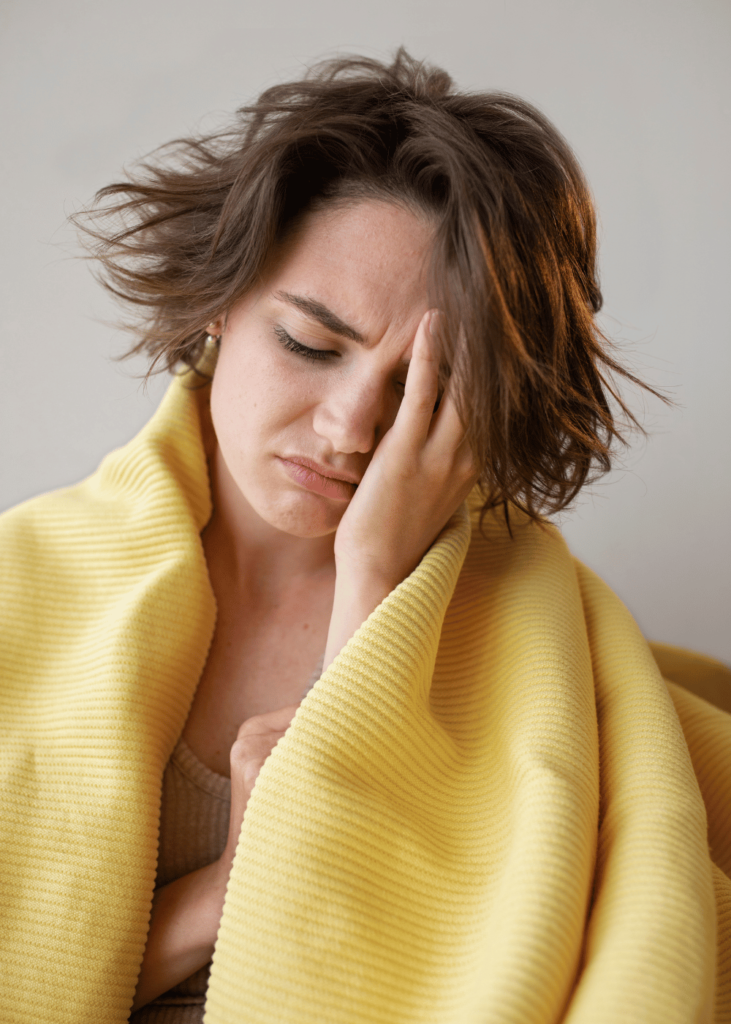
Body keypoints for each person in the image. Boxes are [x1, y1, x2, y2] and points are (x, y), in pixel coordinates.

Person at [1, 49, 730, 1024]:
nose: (350, 428)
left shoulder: (536, 634)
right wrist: (225, 890)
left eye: (420, 393)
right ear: (224, 296)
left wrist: (371, 578)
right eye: (310, 344)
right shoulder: (26, 582)